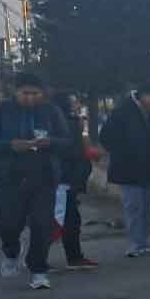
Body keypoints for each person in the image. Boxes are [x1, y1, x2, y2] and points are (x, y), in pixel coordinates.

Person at [0, 73, 72, 289]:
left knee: (42, 225)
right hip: (10, 178)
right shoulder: (0, 110)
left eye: (35, 94)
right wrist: (10, 145)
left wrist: (50, 142)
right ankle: (11, 252)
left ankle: (38, 269)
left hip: (43, 176)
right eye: (25, 94)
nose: (30, 98)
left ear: (43, 93)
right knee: (10, 224)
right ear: (15, 92)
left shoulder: (50, 110)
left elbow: (66, 140)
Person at [100, 82, 150, 257]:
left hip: (148, 167)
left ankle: (144, 241)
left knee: (146, 206)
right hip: (129, 168)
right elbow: (106, 137)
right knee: (134, 207)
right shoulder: (123, 112)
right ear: (145, 95)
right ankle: (134, 243)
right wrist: (125, 151)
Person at [52, 91, 99, 271]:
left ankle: (39, 256)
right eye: (73, 102)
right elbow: (75, 153)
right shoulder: (69, 125)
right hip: (67, 178)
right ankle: (73, 257)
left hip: (63, 177)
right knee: (67, 219)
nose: (76, 104)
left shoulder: (59, 123)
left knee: (62, 218)